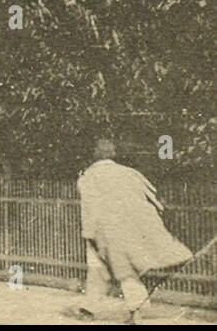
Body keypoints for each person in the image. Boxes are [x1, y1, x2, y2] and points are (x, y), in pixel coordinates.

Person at [76, 138, 191, 321]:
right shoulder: (130, 173)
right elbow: (154, 198)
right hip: (126, 230)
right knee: (125, 270)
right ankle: (132, 311)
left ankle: (91, 310)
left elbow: (88, 208)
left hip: (100, 230)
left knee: (98, 270)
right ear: (112, 154)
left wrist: (89, 234)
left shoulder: (87, 177)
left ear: (94, 155)